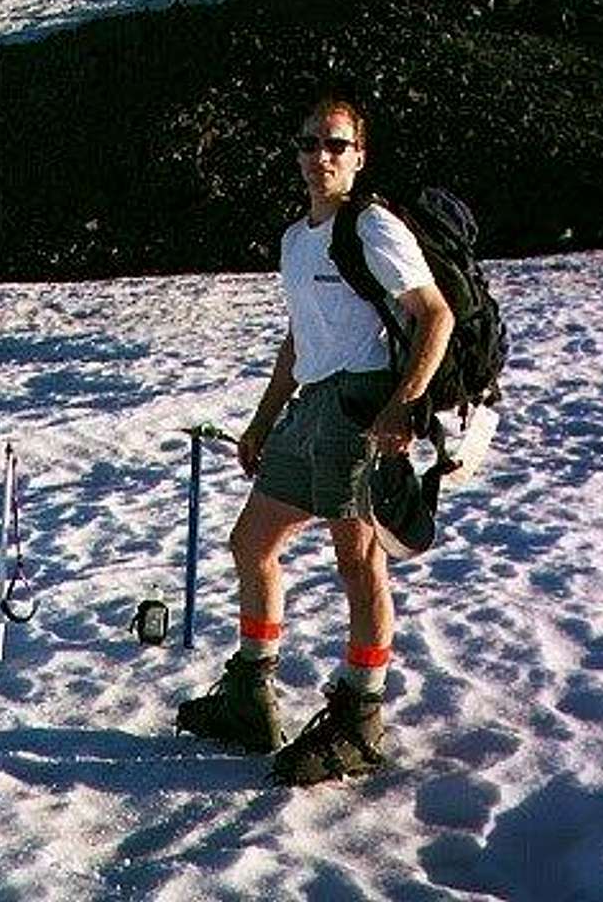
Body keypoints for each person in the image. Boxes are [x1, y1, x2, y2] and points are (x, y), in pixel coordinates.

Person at [176, 94, 454, 786]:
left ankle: (361, 717)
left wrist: (402, 405)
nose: (319, 157)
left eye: (334, 145)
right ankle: (252, 696)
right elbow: (300, 336)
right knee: (253, 543)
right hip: (313, 407)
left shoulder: (373, 227)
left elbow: (435, 315)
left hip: (361, 407)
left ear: (358, 156)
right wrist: (265, 420)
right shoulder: (298, 238)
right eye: (308, 144)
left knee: (358, 565)